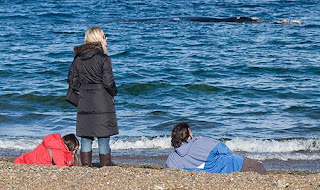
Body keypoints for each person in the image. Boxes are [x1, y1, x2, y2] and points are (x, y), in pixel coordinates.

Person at [68, 27, 118, 167]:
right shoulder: (104, 58)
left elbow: (72, 80)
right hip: (102, 100)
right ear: (97, 38)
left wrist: (83, 91)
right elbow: (109, 83)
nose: (106, 39)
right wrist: (114, 92)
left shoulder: (78, 57)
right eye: (104, 36)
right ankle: (105, 168)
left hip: (84, 100)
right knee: (103, 137)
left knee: (86, 137)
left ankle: (86, 168)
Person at [166, 122, 267, 174]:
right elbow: (226, 151)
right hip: (238, 165)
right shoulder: (203, 142)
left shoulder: (172, 159)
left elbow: (172, 171)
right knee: (258, 166)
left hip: (218, 170)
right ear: (189, 133)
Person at [14, 134, 81, 167]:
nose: (74, 152)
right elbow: (62, 166)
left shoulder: (55, 145)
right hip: (22, 162)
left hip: (24, 158)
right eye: (74, 150)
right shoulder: (58, 152)